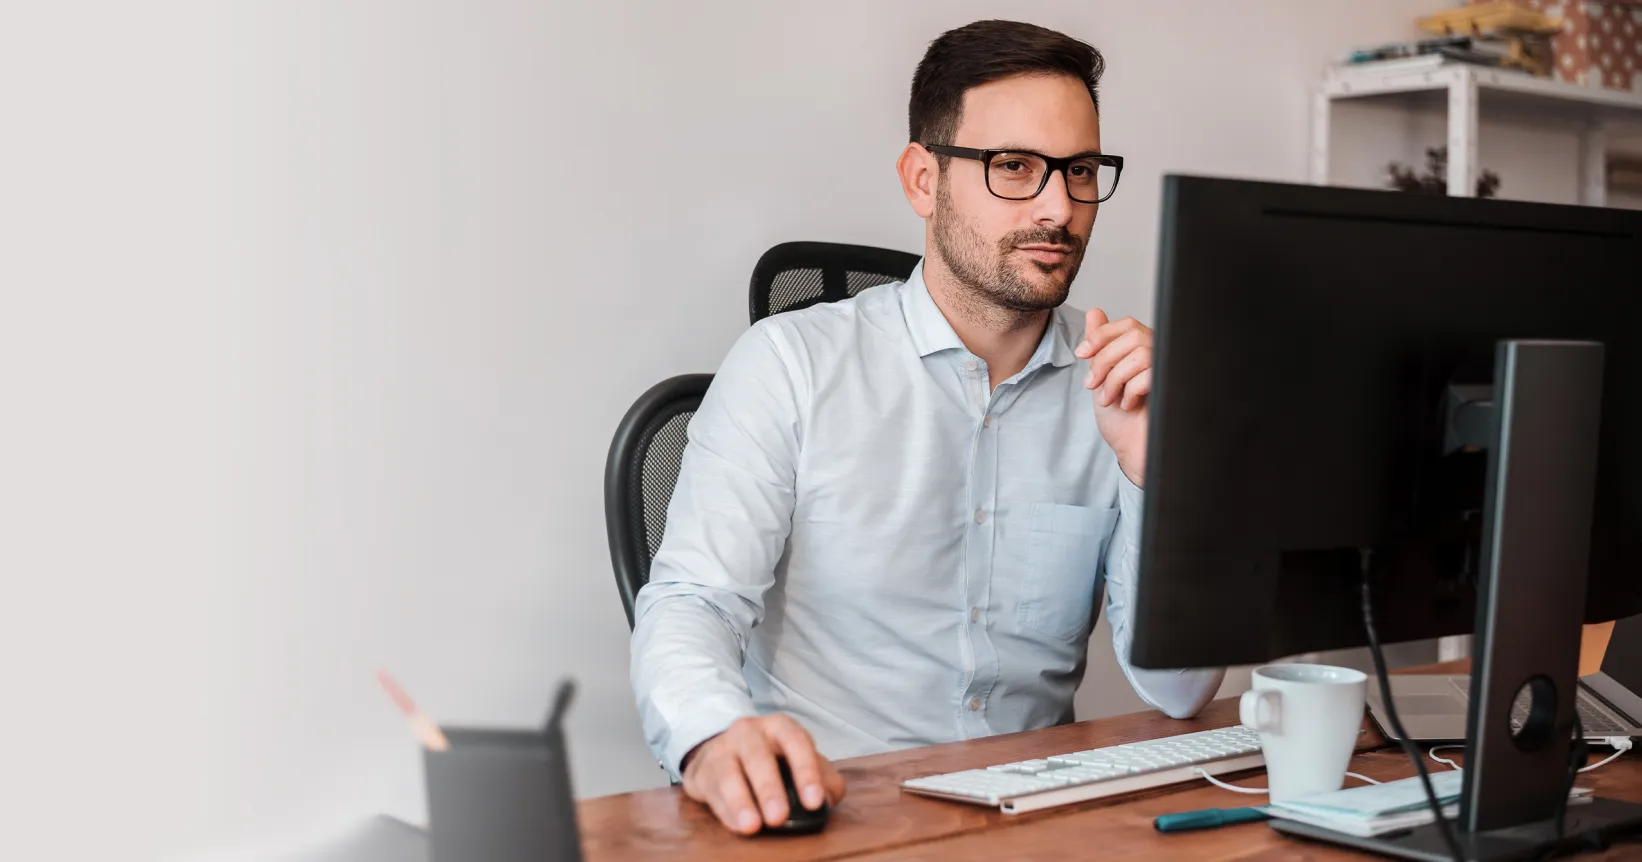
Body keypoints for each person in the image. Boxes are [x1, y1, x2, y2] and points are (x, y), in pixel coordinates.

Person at [629, 19, 1226, 835]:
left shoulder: (1120, 385)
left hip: (1038, 821)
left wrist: (1155, 472)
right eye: (1015, 167)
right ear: (923, 180)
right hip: (837, 814)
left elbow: (1181, 690)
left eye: (1080, 171)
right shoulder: (791, 365)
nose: (1059, 207)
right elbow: (694, 600)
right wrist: (711, 736)